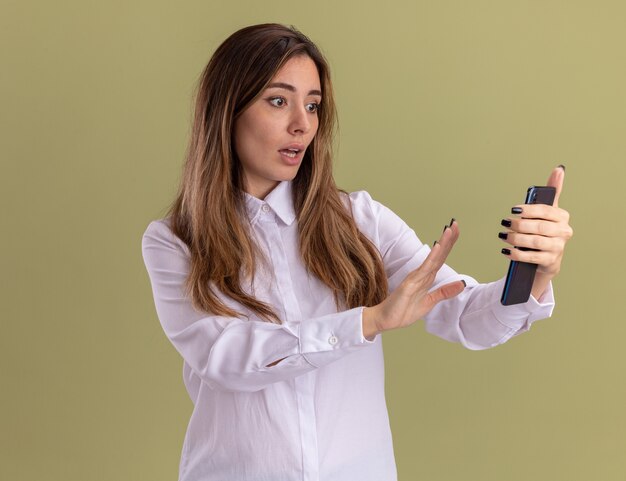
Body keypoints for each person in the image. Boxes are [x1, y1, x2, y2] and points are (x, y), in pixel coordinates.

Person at [141, 23, 573, 481]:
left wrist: (534, 272)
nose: (302, 124)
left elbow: (465, 314)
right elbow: (224, 358)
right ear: (226, 109)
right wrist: (367, 322)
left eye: (312, 105)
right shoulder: (174, 241)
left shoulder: (360, 221)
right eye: (277, 100)